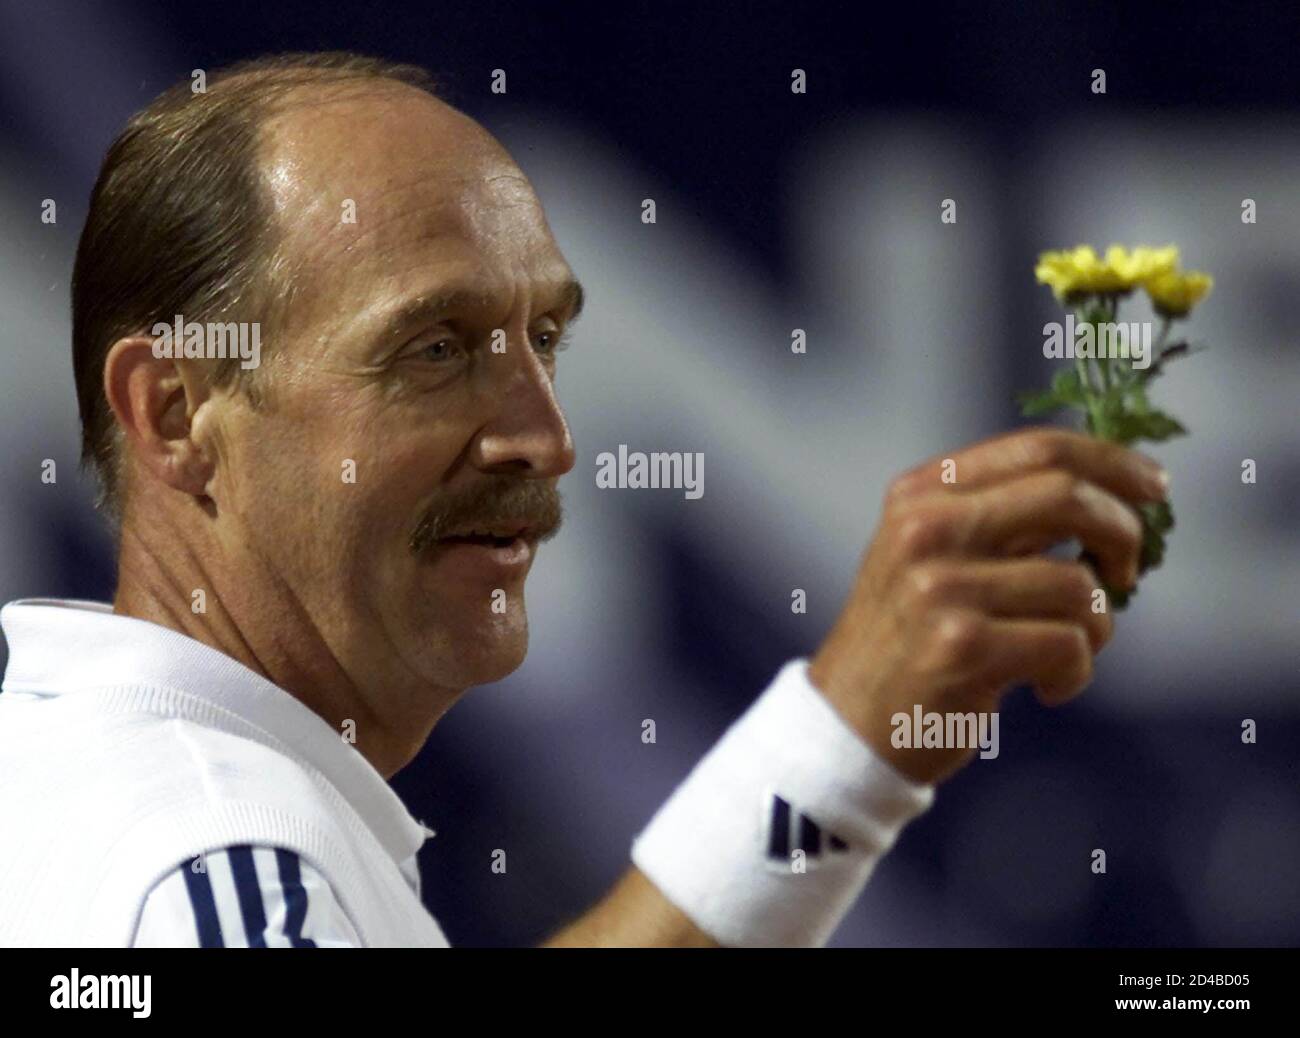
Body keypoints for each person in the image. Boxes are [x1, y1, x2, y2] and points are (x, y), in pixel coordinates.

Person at [0, 52, 1167, 948]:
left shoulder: (136, 788)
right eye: (437, 348)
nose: (545, 439)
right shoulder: (222, 859)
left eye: (543, 339)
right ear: (174, 414)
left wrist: (840, 745)